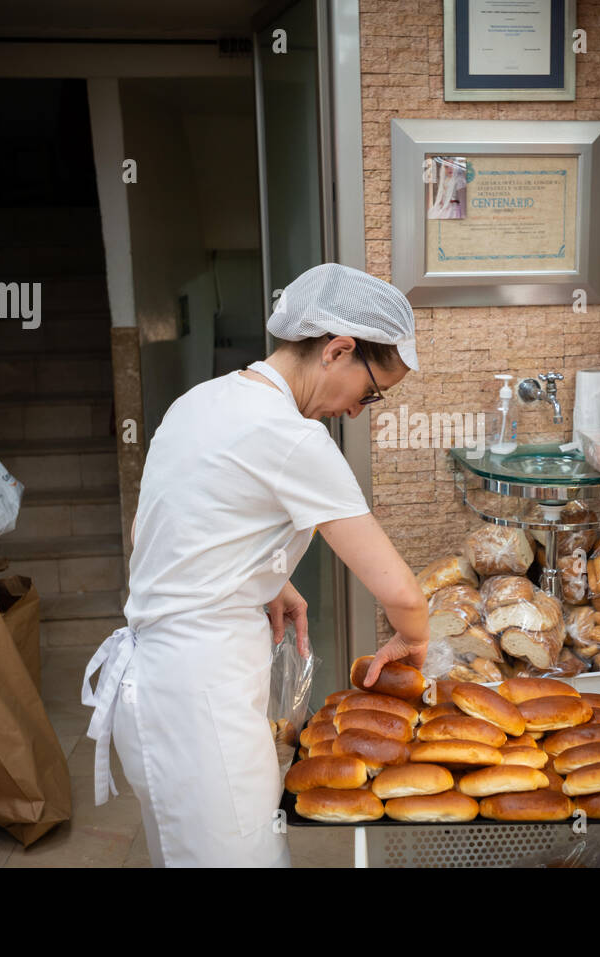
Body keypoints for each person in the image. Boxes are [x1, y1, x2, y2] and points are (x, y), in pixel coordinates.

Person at [82, 263, 429, 867]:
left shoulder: (200, 401)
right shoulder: (293, 436)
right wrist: (415, 640)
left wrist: (267, 578)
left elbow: (156, 532)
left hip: (155, 694)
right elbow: (397, 587)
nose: (357, 412)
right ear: (338, 350)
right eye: (370, 392)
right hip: (199, 706)